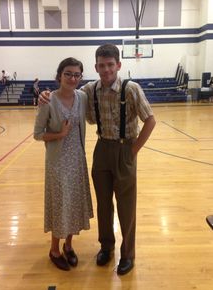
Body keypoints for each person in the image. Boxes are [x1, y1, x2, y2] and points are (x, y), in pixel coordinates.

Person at [39, 44, 156, 275]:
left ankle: (128, 253)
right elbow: (66, 91)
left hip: (125, 149)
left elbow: (150, 120)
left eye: (110, 64)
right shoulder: (89, 90)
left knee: (126, 206)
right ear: (96, 67)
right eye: (101, 65)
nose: (106, 70)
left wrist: (133, 150)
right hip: (102, 149)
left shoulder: (131, 89)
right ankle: (106, 247)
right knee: (103, 204)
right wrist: (46, 95)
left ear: (118, 65)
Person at [33, 57, 93, 271]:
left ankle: (69, 246)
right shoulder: (48, 100)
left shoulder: (83, 97)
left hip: (77, 160)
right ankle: (54, 250)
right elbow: (37, 134)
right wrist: (60, 133)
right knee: (61, 205)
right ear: (59, 75)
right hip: (57, 164)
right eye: (68, 73)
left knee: (74, 205)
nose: (72, 78)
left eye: (77, 74)